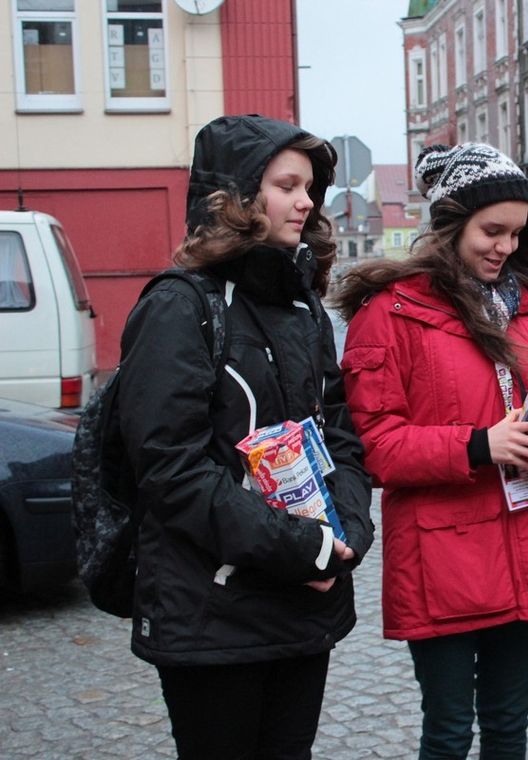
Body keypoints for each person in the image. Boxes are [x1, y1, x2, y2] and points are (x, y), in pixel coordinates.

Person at [117, 114, 375, 759]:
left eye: (309, 186)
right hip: (212, 612)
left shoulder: (300, 304)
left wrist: (345, 531)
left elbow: (338, 431)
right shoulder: (179, 306)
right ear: (231, 196)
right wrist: (303, 549)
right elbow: (170, 469)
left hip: (301, 605)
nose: (306, 201)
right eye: (287, 184)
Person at [334, 142, 528, 759]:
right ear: (449, 227)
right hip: (442, 552)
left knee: (508, 727)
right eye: (491, 230)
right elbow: (375, 447)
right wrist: (481, 444)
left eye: (516, 234)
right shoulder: (392, 314)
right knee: (448, 732)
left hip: (521, 535)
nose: (504, 246)